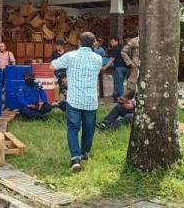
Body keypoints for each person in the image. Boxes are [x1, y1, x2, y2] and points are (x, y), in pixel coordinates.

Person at [51, 32, 103, 172]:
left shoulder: (70, 56)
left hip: (74, 99)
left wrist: (65, 75)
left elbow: (53, 66)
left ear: (78, 41)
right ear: (94, 44)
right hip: (91, 100)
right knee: (89, 129)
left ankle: (75, 158)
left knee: (73, 128)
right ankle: (85, 154)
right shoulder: (98, 58)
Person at [102, 36, 129, 102]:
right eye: (111, 41)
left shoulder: (116, 48)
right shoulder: (123, 47)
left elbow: (112, 59)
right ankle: (116, 98)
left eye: (112, 41)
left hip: (119, 68)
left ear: (117, 41)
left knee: (119, 85)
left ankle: (121, 99)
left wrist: (105, 67)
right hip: (126, 68)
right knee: (119, 84)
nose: (111, 43)